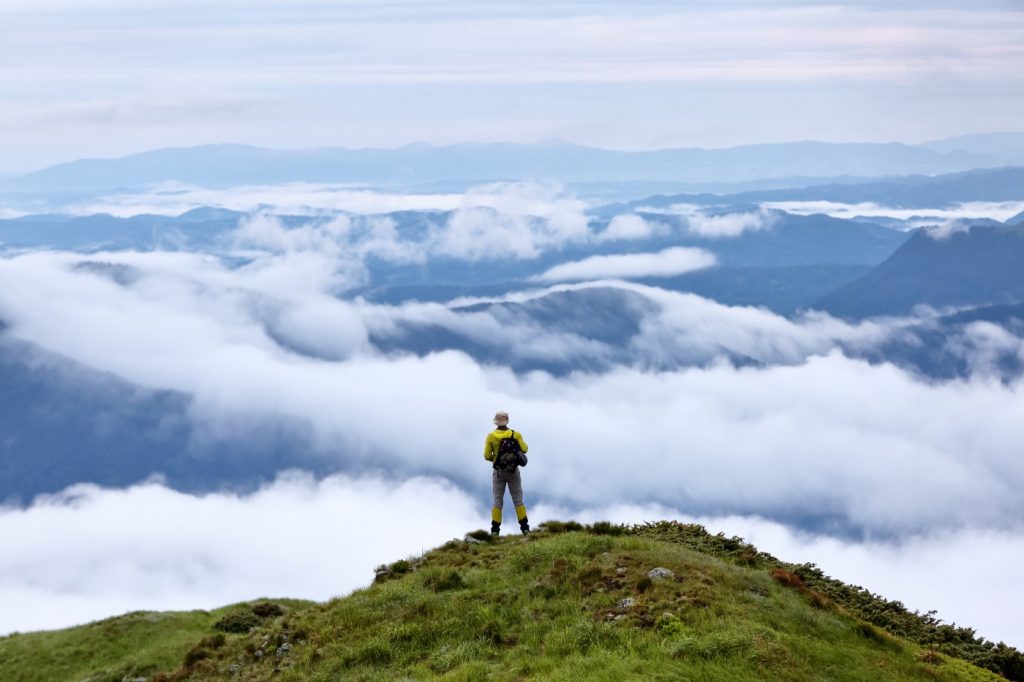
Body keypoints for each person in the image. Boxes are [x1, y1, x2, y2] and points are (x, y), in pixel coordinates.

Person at [484, 410, 529, 536]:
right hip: (513, 471)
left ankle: (495, 530)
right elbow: (525, 449)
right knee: (518, 500)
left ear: (496, 422)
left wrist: (496, 459)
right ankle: (525, 528)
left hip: (498, 472)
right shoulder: (516, 434)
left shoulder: (491, 436)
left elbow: (487, 455)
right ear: (507, 420)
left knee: (497, 501)